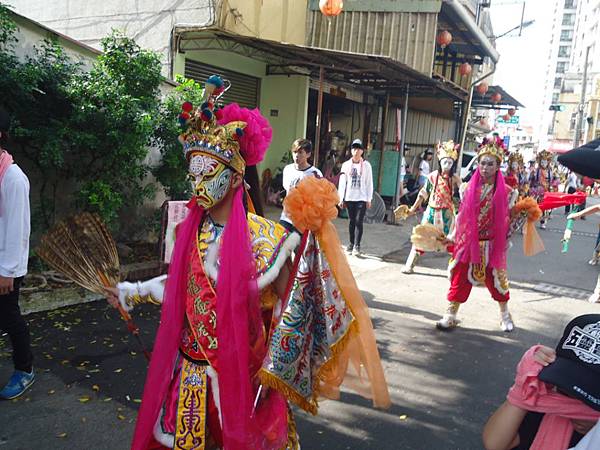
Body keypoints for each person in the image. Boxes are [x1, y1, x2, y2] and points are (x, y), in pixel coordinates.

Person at [105, 76, 389, 450]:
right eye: (192, 175)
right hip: (190, 373)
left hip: (245, 383)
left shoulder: (269, 239)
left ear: (235, 175)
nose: (197, 185)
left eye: (208, 173)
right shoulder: (188, 231)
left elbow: (294, 312)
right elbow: (178, 286)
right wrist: (130, 292)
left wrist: (280, 365)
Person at [436, 136, 518, 332]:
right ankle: (451, 313)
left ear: (498, 166)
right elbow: (461, 216)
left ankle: (505, 314)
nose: (485, 167)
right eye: (482, 163)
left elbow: (510, 222)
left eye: (490, 164)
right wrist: (452, 236)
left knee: (497, 280)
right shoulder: (466, 188)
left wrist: (509, 234)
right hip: (468, 242)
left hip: (491, 244)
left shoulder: (508, 192)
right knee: (459, 277)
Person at [482, 314, 600, 450]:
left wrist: (595, 435)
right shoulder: (549, 401)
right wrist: (524, 385)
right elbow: (495, 444)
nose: (574, 395)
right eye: (567, 379)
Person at [0, 107, 34, 400]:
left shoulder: (12, 177)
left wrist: (7, 271)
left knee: (11, 317)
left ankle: (25, 369)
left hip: (5, 267)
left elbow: (18, 227)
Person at [402, 140, 461, 274]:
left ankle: (453, 269)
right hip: (431, 212)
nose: (447, 165)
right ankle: (410, 264)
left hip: (447, 213)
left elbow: (463, 194)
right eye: (445, 162)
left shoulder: (455, 178)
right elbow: (422, 194)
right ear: (440, 162)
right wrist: (413, 208)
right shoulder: (432, 176)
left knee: (451, 240)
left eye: (450, 163)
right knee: (421, 237)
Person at [338, 138, 373, 257]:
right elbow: (343, 182)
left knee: (359, 221)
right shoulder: (346, 165)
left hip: (361, 198)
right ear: (351, 150)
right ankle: (351, 243)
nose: (356, 151)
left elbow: (369, 183)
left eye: (358, 148)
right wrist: (341, 198)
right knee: (352, 221)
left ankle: (357, 246)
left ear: (362, 151)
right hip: (349, 197)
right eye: (354, 148)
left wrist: (369, 198)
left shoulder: (367, 166)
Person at [279, 138, 321, 230]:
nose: (296, 156)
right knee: (281, 242)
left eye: (300, 152)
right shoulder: (287, 169)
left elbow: (319, 198)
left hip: (303, 221)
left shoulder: (315, 173)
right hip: (286, 217)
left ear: (308, 154)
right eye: (294, 152)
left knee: (297, 244)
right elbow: (287, 189)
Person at [529, 150, 556, 229]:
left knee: (545, 208)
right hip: (537, 190)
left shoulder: (550, 172)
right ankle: (530, 221)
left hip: (546, 191)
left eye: (545, 162)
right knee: (533, 206)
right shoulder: (536, 171)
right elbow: (531, 180)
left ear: (548, 162)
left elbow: (554, 181)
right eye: (542, 162)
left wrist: (552, 185)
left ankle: (543, 222)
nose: (543, 163)